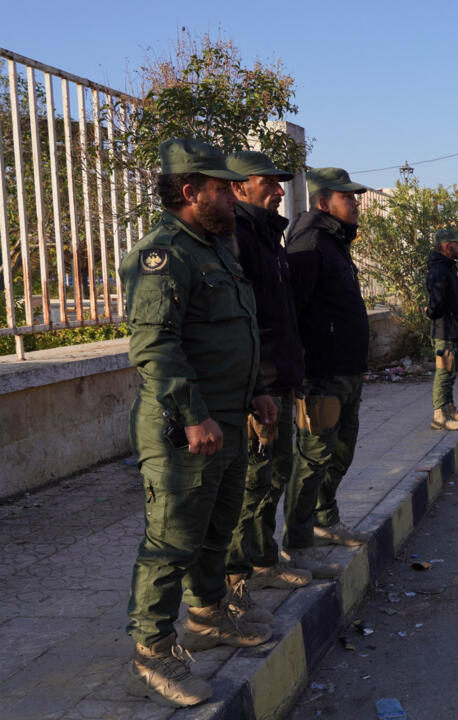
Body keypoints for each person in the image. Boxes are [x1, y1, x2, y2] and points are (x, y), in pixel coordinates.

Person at [121, 138, 275, 708]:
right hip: (184, 428)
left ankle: (208, 615)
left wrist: (258, 392)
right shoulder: (164, 254)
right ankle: (153, 651)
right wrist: (194, 416)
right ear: (190, 192)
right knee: (172, 541)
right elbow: (155, 346)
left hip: (229, 420)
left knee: (217, 529)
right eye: (221, 187)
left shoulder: (216, 250)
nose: (234, 196)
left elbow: (238, 331)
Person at [221, 151, 315, 601]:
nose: (280, 190)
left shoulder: (263, 237)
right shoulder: (237, 238)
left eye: (280, 183)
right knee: (254, 481)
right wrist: (257, 388)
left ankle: (262, 559)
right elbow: (241, 322)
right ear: (239, 187)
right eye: (269, 183)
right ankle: (237, 575)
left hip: (278, 379)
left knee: (274, 476)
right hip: (259, 386)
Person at [284, 167, 372, 577]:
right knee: (313, 456)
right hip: (321, 372)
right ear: (324, 202)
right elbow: (294, 311)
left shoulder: (336, 243)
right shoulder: (311, 242)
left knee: (342, 450)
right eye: (348, 197)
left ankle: (325, 519)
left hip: (346, 369)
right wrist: (302, 372)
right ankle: (298, 542)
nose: (356, 203)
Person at [425, 229, 458, 431]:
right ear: (445, 245)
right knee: (443, 373)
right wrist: (431, 312)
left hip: (453, 329)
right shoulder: (439, 270)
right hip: (444, 331)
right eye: (455, 243)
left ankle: (450, 409)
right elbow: (436, 302)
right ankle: (439, 416)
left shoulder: (448, 268)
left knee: (451, 372)